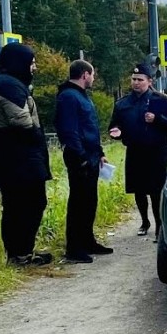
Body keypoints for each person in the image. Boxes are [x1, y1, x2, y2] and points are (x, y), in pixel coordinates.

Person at [0, 43, 53, 266]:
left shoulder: (0, 83)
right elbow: (21, 121)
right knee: (29, 203)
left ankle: (20, 252)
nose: (34, 67)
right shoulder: (8, 85)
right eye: (31, 63)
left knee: (16, 205)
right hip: (18, 155)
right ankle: (20, 253)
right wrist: (37, 138)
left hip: (7, 152)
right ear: (18, 63)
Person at [108, 63, 167, 238]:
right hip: (135, 150)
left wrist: (158, 119)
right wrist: (116, 132)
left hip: (157, 151)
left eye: (140, 80)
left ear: (149, 81)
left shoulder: (161, 100)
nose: (136, 83)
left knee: (155, 190)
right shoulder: (123, 103)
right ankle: (144, 221)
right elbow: (114, 125)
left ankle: (159, 225)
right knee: (138, 189)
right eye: (134, 80)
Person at [54, 59, 113, 263]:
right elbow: (70, 131)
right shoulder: (69, 97)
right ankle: (74, 247)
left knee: (89, 201)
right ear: (85, 75)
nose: (94, 78)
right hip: (80, 157)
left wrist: (99, 152)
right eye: (93, 74)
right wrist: (81, 158)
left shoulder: (81, 96)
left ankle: (87, 241)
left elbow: (89, 128)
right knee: (79, 202)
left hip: (91, 155)